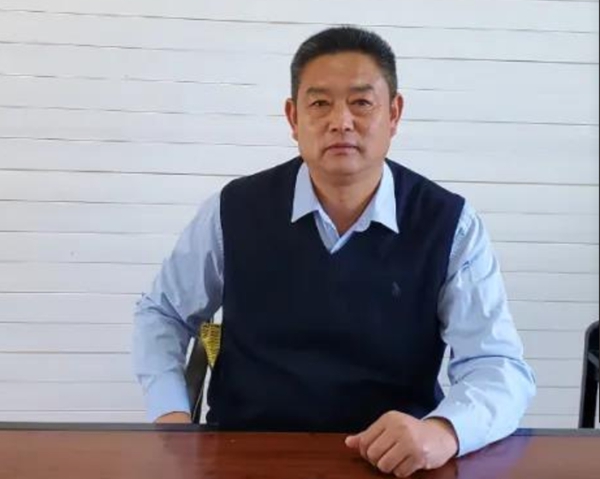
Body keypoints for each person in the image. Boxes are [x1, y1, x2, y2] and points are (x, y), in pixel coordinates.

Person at [133, 26, 536, 477]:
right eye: (320, 103)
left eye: (361, 103)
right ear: (293, 118)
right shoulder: (233, 210)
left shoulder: (449, 224)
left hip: (394, 463)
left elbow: (498, 365)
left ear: (394, 114)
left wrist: (444, 431)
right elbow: (162, 313)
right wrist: (172, 419)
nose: (341, 121)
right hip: (246, 452)